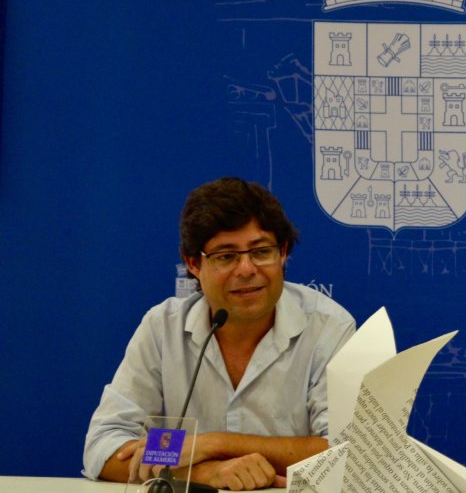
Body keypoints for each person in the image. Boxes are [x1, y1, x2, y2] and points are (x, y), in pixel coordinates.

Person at [83, 177, 357, 491]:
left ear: (282, 253)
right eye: (226, 256)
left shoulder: (329, 328)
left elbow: (346, 453)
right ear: (193, 264)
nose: (246, 269)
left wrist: (213, 443)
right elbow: (104, 445)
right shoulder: (163, 327)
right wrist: (207, 473)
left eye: (261, 251)